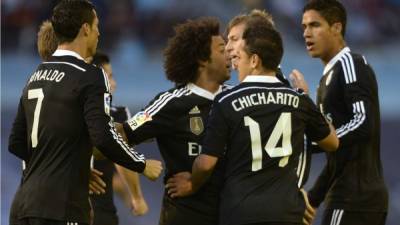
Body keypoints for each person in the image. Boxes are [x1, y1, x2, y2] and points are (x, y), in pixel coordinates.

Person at [8, 1, 162, 225]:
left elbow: (16, 143)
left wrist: (71, 167)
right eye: (97, 25)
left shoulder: (35, 75)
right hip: (62, 206)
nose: (99, 32)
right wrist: (142, 164)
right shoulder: (90, 75)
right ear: (85, 29)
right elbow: (102, 136)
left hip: (24, 205)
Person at [174, 19, 339, 225]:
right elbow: (332, 142)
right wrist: (308, 99)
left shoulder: (227, 101)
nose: (236, 63)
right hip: (287, 213)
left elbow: (206, 164)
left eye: (240, 57)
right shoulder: (299, 100)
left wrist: (192, 183)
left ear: (254, 61)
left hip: (241, 212)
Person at [121, 17, 231, 225]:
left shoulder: (234, 100)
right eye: (221, 49)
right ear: (202, 59)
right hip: (185, 216)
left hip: (230, 215)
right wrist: (140, 164)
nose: (230, 55)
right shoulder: (171, 103)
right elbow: (123, 134)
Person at [291, 1, 389, 225]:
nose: (306, 33)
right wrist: (314, 197)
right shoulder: (327, 78)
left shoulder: (350, 64)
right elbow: (338, 154)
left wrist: (322, 139)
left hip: (356, 197)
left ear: (337, 27)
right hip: (351, 197)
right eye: (304, 26)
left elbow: (363, 122)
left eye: (314, 25)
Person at [89, 52, 149, 225]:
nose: (114, 83)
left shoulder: (69, 109)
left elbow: (115, 176)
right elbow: (122, 160)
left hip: (65, 207)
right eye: (109, 76)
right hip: (100, 211)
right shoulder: (117, 114)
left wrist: (128, 197)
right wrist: (137, 197)